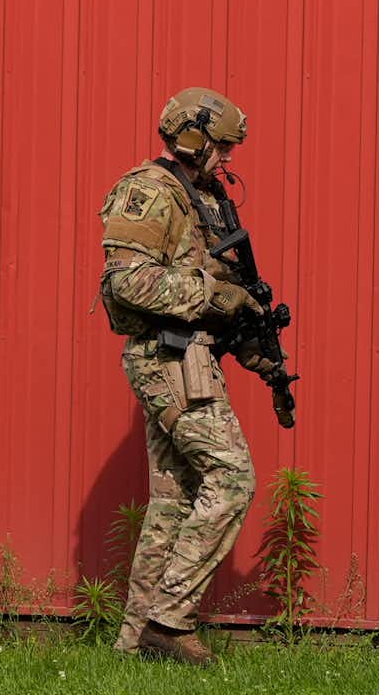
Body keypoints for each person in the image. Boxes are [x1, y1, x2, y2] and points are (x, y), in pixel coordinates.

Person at [95, 87, 271, 665]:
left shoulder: (204, 197)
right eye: (221, 146)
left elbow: (214, 282)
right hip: (164, 356)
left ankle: (133, 644)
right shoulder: (147, 191)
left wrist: (251, 345)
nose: (227, 159)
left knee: (173, 502)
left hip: (190, 355)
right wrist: (214, 294)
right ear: (194, 139)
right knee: (233, 476)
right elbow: (126, 283)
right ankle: (170, 620)